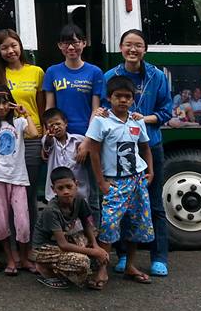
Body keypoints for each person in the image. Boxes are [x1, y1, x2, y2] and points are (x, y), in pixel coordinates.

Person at [96, 29, 173, 277]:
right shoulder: (110, 76)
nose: (133, 50)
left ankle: (159, 257)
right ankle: (122, 257)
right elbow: (102, 109)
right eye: (128, 45)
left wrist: (143, 119)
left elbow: (166, 110)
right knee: (119, 209)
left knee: (153, 204)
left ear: (145, 49)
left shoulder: (157, 76)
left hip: (150, 143)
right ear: (120, 48)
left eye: (138, 45)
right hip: (116, 152)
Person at [86, 75, 155, 286]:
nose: (123, 100)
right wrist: (101, 182)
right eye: (118, 96)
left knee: (136, 224)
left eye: (127, 97)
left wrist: (150, 171)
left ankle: (130, 266)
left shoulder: (137, 121)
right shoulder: (101, 121)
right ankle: (102, 269)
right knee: (108, 225)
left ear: (133, 99)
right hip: (114, 182)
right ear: (109, 98)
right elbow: (94, 152)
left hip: (137, 181)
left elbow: (145, 148)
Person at [0, 86, 39, 276]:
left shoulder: (19, 123)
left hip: (18, 178)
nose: (1, 107)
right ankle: (10, 259)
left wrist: (26, 112)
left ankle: (24, 258)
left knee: (22, 221)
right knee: (2, 221)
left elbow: (34, 133)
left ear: (11, 103)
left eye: (5, 102)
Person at [0, 29, 45, 231]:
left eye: (13, 45)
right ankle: (14, 244)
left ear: (20, 46)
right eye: (4, 47)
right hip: (7, 139)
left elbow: (40, 106)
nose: (10, 51)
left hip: (32, 136)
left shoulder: (36, 72)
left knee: (28, 193)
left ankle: (30, 243)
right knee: (10, 193)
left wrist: (43, 134)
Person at [30, 166, 108, 290]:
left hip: (64, 240)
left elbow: (87, 224)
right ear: (53, 189)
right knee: (82, 262)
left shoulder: (80, 201)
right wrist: (94, 252)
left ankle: (102, 271)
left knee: (95, 234)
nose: (66, 191)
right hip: (44, 248)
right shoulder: (51, 210)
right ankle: (45, 269)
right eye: (60, 188)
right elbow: (63, 245)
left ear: (76, 184)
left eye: (69, 186)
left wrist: (96, 246)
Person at [42, 24, 104, 137]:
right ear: (59, 45)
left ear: (84, 43)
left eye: (75, 42)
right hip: (60, 135)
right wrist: (46, 136)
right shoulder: (52, 72)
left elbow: (96, 109)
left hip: (86, 133)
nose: (70, 47)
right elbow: (49, 108)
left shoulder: (95, 72)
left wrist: (89, 137)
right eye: (66, 43)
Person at [40, 108, 94, 223]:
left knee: (83, 220)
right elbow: (47, 145)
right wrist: (49, 137)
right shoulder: (49, 140)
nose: (55, 127)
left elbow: (92, 146)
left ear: (66, 123)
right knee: (59, 219)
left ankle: (88, 239)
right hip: (56, 193)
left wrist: (85, 148)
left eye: (58, 123)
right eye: (51, 125)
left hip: (80, 191)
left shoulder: (79, 140)